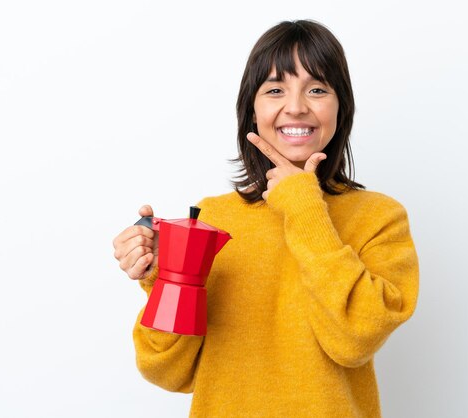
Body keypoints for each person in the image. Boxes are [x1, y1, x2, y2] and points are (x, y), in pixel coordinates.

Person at [112, 19, 419, 418]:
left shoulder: (380, 218)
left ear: (340, 107)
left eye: (317, 89)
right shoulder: (212, 218)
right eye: (275, 90)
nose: (295, 106)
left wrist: (304, 207)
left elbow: (355, 339)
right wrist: (165, 276)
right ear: (251, 111)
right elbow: (168, 372)